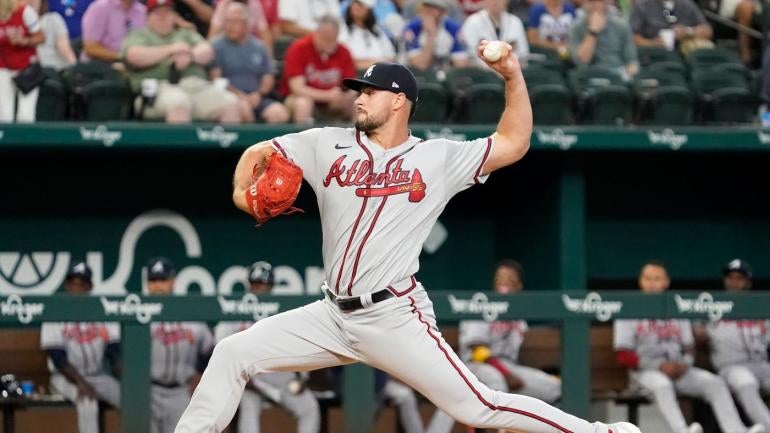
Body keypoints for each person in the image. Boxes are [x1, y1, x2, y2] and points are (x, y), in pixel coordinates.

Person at [173, 38, 640, 433]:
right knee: (234, 352)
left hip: (394, 316)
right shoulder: (325, 143)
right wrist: (241, 192)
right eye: (358, 91)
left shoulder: (437, 158)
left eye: (369, 92)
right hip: (332, 313)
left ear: (398, 100)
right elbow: (259, 150)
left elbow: (514, 143)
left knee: (478, 406)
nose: (358, 98)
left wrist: (512, 77)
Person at [613, 261, 764, 433]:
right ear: (641, 282)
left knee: (714, 383)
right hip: (645, 372)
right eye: (648, 278)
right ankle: (682, 431)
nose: (652, 283)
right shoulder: (629, 308)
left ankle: (736, 430)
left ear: (666, 282)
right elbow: (623, 355)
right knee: (662, 385)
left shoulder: (676, 307)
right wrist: (659, 366)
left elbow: (689, 347)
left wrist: (685, 363)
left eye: (657, 278)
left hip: (679, 369)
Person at [427, 260, 560, 433]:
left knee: (554, 388)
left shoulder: (519, 316)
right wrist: (507, 374)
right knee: (496, 382)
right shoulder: (481, 305)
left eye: (510, 279)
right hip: (475, 365)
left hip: (509, 367)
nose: (503, 282)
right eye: (500, 278)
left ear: (518, 286)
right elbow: (477, 350)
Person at [213, 261, 321, 433]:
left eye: (263, 284)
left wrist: (302, 378)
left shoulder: (283, 311)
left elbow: (301, 345)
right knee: (249, 413)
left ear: (271, 287)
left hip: (279, 378)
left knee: (309, 407)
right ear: (249, 285)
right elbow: (219, 347)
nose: (259, 289)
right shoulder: (235, 311)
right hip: (249, 381)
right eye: (255, 284)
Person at [122, 0, 243, 123]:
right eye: (158, 13)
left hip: (196, 87)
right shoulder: (140, 35)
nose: (163, 18)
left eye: (167, 13)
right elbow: (133, 55)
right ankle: (180, 143)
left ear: (174, 16)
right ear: (148, 17)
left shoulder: (185, 34)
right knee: (179, 102)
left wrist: (189, 56)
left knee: (231, 103)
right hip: (158, 90)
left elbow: (208, 51)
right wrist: (171, 49)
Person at [40, 261, 121, 433]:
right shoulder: (55, 311)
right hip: (64, 378)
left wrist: (126, 378)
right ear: (67, 285)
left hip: (98, 376)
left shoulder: (102, 311)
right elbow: (57, 358)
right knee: (87, 402)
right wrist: (81, 383)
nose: (77, 288)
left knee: (129, 398)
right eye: (73, 283)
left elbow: (114, 351)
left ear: (90, 286)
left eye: (82, 284)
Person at [693, 259, 770, 433]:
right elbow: (694, 325)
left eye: (739, 278)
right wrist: (698, 333)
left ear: (748, 282)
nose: (734, 282)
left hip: (761, 365)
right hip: (731, 366)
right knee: (746, 383)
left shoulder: (760, 306)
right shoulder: (712, 307)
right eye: (731, 278)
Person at [144, 257, 214, 433]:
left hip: (181, 392)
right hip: (149, 390)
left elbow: (210, 349)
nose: (158, 285)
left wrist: (200, 373)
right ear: (147, 284)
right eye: (153, 280)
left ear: (172, 282)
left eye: (163, 280)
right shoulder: (140, 314)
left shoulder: (188, 313)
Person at [211, 2, 289, 123]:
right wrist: (240, 96)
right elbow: (217, 79)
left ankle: (266, 142)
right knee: (243, 109)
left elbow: (268, 76)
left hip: (257, 97)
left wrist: (259, 94)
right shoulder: (217, 46)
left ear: (246, 24)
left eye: (235, 22)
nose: (229, 26)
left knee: (279, 113)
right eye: (228, 21)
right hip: (230, 97)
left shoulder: (260, 46)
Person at [279, 15, 357, 124]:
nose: (329, 43)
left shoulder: (343, 51)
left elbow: (351, 86)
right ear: (316, 34)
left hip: (332, 100)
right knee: (303, 103)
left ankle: (357, 139)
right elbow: (297, 88)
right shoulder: (299, 48)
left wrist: (346, 96)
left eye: (332, 39)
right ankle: (302, 140)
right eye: (325, 38)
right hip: (300, 98)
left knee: (358, 104)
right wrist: (326, 95)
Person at [569, 0, 638, 78]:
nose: (596, 5)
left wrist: (629, 71)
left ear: (608, 2)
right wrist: (593, 32)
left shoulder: (621, 26)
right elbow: (581, 61)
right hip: (589, 74)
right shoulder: (576, 27)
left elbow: (632, 60)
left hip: (617, 73)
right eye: (591, 1)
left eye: (601, 1)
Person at [0, 0, 44, 123]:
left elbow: (41, 36)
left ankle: (27, 142)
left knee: (26, 115)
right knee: (4, 115)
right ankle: (6, 142)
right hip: (3, 67)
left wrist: (24, 41)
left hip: (26, 68)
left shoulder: (25, 12)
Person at [404, 0, 469, 70]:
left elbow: (461, 63)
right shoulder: (411, 28)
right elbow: (420, 66)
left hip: (445, 73)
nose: (429, 11)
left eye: (434, 8)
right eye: (426, 6)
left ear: (443, 12)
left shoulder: (453, 28)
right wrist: (431, 36)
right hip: (416, 76)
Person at [461, 0, 529, 66]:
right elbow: (469, 54)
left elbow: (523, 53)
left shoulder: (515, 21)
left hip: (511, 70)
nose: (495, 2)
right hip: (481, 72)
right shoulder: (472, 21)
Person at [629, 0, 712, 52]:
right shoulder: (642, 5)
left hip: (684, 56)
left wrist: (688, 31)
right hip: (653, 56)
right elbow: (631, 37)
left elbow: (708, 31)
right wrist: (652, 44)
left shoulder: (687, 4)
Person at [81, 0, 146, 63]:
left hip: (134, 64)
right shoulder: (100, 8)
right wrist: (124, 57)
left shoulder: (143, 11)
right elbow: (90, 48)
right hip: (100, 64)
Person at [339, 0, 396, 69]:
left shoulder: (377, 30)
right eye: (353, 4)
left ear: (368, 10)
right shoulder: (343, 31)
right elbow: (345, 61)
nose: (355, 7)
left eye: (360, 4)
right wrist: (374, 63)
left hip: (380, 74)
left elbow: (391, 56)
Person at [208, 0, 272, 53]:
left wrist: (268, 60)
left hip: (248, 48)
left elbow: (265, 35)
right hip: (227, 48)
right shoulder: (224, 5)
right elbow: (213, 36)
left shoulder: (254, 4)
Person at [31, 0, 76, 70]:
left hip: (54, 70)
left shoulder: (53, 19)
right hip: (36, 71)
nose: (30, 1)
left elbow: (64, 49)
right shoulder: (15, 25)